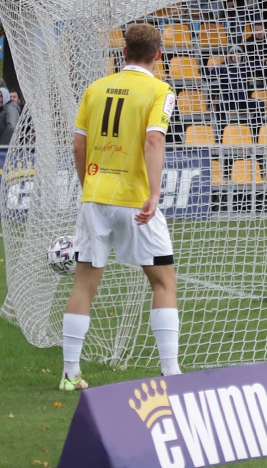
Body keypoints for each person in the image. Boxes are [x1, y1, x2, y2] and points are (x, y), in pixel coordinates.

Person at [60, 24, 181, 391]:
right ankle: (171, 373)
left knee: (84, 285)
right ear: (158, 55)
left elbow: (78, 147)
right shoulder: (161, 90)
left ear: (123, 52)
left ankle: (70, 374)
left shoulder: (94, 90)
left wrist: (89, 189)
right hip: (136, 200)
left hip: (96, 196)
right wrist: (155, 194)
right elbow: (153, 141)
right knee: (163, 281)